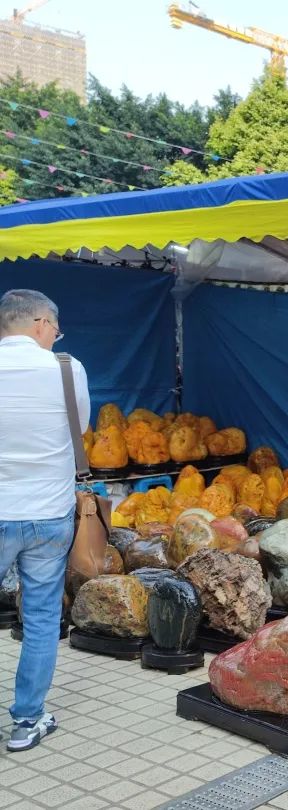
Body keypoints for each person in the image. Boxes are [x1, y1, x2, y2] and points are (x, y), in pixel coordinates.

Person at [0, 289, 89, 752]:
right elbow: (81, 429)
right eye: (55, 328)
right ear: (39, 323)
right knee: (38, 620)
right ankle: (27, 721)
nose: (56, 336)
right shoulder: (65, 369)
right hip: (49, 514)